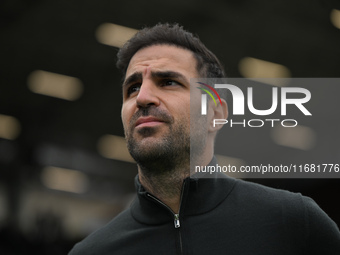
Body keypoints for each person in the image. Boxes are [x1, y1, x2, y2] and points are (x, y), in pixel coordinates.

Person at [69, 23, 340, 254]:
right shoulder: (93, 251)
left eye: (168, 82)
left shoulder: (294, 224)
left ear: (215, 113)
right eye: (133, 87)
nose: (142, 97)